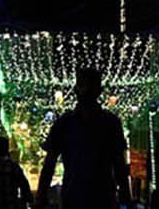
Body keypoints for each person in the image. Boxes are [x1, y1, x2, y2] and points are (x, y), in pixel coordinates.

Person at [35, 67, 131, 209]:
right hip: (90, 197)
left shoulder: (66, 122)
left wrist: (40, 198)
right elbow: (119, 165)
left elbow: (50, 163)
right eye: (84, 85)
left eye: (90, 86)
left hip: (89, 197)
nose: (87, 90)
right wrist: (126, 197)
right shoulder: (109, 122)